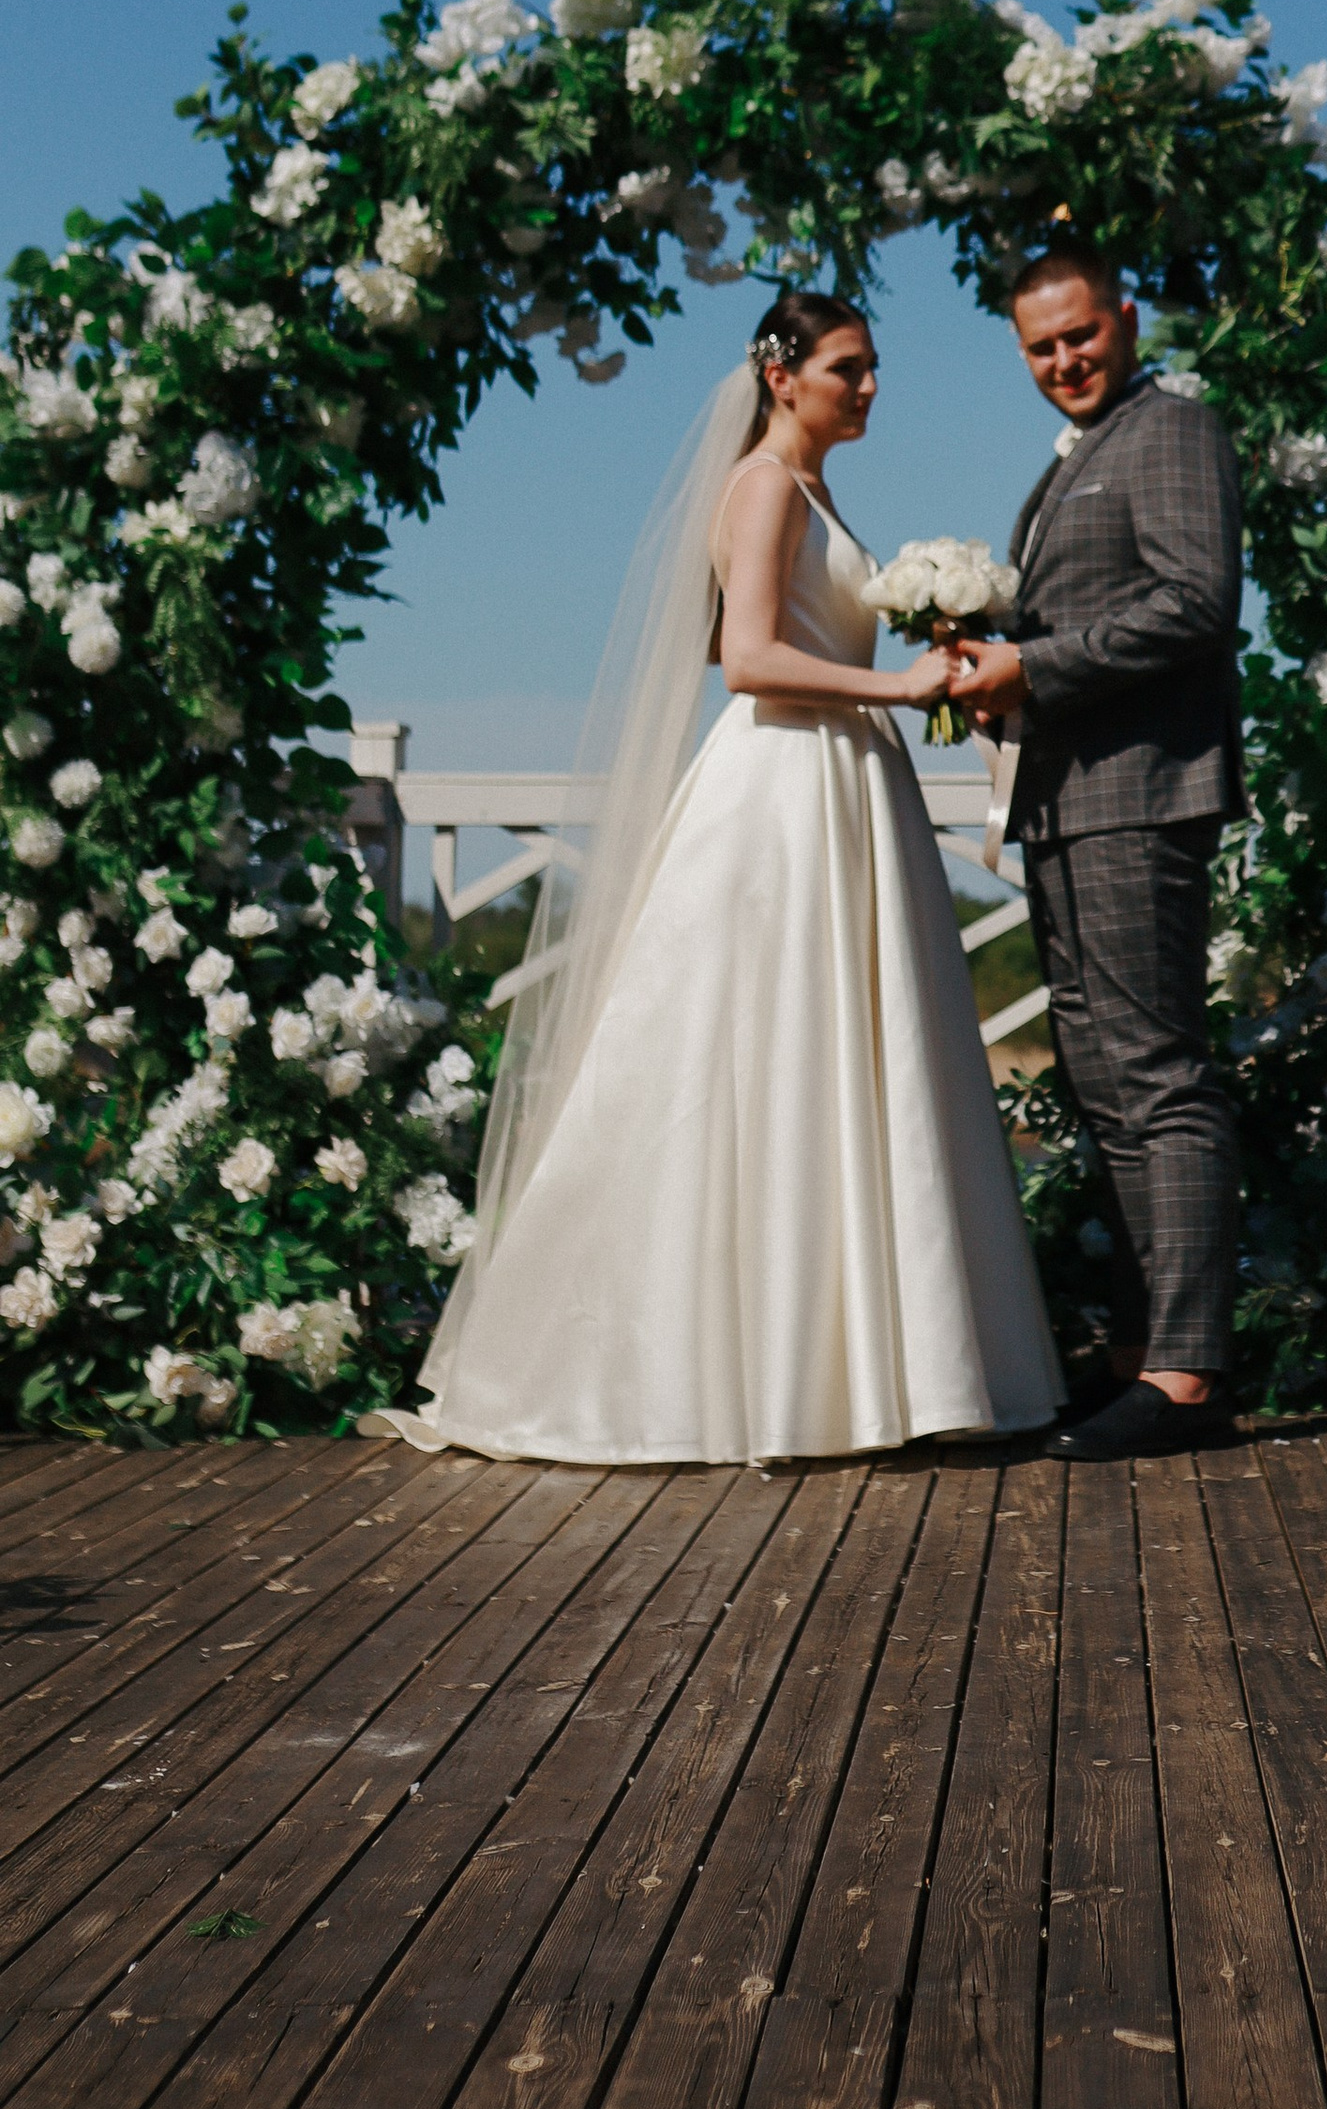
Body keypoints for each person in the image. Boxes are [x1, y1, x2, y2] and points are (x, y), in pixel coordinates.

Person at [374, 292, 1063, 1462]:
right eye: (848, 368)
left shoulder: (806, 490)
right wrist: (898, 686)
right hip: (784, 792)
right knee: (761, 1055)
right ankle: (731, 1371)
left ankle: (849, 1369)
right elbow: (744, 658)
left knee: (844, 1061)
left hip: (839, 783)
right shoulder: (762, 485)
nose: (870, 387)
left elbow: (742, 631)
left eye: (874, 367)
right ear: (782, 376)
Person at [946, 242, 1244, 1461]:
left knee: (1159, 1077)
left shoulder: (1169, 427)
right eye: (1041, 347)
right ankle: (1138, 1357)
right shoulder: (1079, 452)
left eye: (1080, 334)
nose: (1064, 360)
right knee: (1105, 1084)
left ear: (1123, 317)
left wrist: (1034, 664)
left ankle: (1187, 1376)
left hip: (1140, 792)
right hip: (1066, 800)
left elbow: (1195, 600)